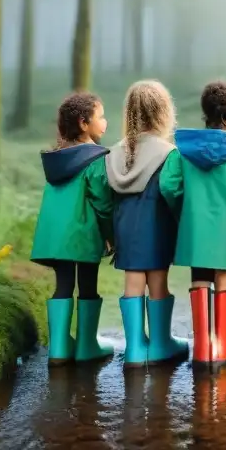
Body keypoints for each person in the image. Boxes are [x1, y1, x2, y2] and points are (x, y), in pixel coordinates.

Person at [160, 80, 226, 369]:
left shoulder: (182, 149)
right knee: (225, 275)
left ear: (205, 113)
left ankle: (202, 346)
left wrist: (183, 211)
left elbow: (168, 186)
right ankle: (224, 345)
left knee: (199, 276)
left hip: (195, 227)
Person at [106, 80, 189, 368]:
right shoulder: (168, 153)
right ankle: (160, 344)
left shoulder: (116, 153)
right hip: (157, 224)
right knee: (157, 280)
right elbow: (172, 190)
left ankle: (134, 349)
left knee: (132, 281)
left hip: (126, 228)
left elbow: (108, 195)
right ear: (164, 112)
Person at [30, 92, 115, 366]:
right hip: (83, 234)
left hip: (55, 238)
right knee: (87, 285)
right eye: (100, 117)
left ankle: (59, 348)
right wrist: (111, 233)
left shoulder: (57, 159)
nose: (105, 122)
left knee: (63, 285)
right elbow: (102, 201)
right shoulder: (95, 158)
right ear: (83, 123)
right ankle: (87, 345)